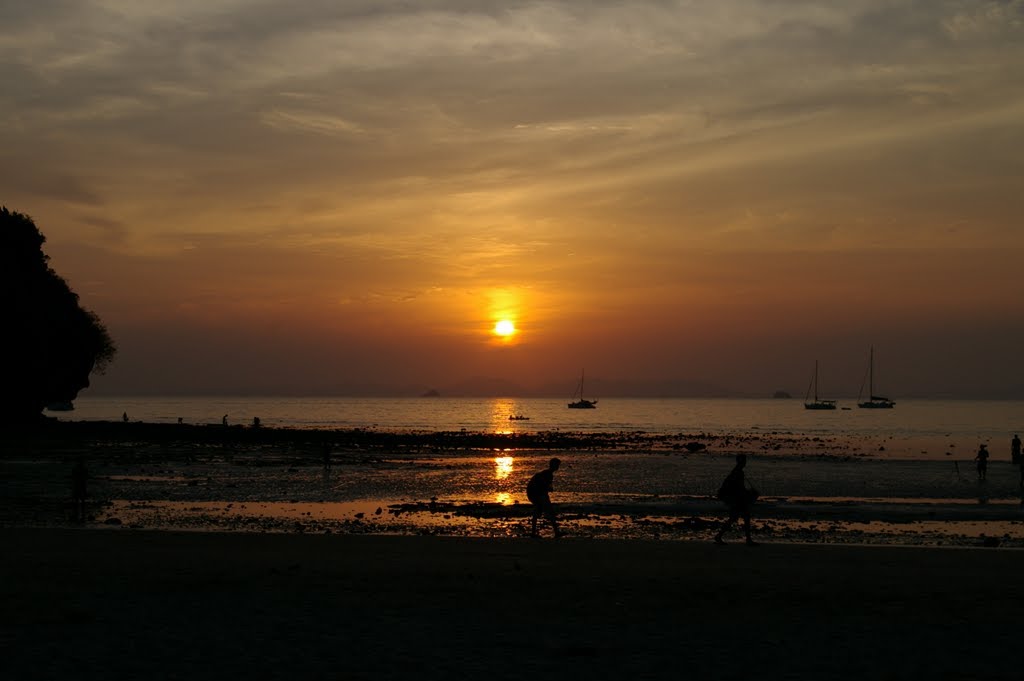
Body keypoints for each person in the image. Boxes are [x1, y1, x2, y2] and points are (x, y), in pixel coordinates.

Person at [714, 454, 759, 546]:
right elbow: (739, 488)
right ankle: (748, 540)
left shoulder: (736, 471)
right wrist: (750, 493)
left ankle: (719, 536)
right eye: (744, 461)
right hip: (737, 499)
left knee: (736, 518)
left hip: (736, 499)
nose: (745, 463)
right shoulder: (738, 473)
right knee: (742, 518)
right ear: (741, 461)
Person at [526, 457, 563, 538]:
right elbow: (543, 485)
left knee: (539, 512)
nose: (558, 467)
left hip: (535, 493)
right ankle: (556, 532)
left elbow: (544, 486)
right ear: (554, 465)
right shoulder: (548, 474)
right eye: (557, 465)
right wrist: (548, 490)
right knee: (548, 512)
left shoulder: (547, 474)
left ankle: (534, 533)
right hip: (536, 494)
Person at [71, 456, 88, 522]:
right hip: (80, 485)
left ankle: (78, 513)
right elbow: (86, 477)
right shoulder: (83, 469)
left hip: (78, 485)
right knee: (81, 499)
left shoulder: (75, 469)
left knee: (77, 500)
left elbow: (73, 477)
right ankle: (81, 513)